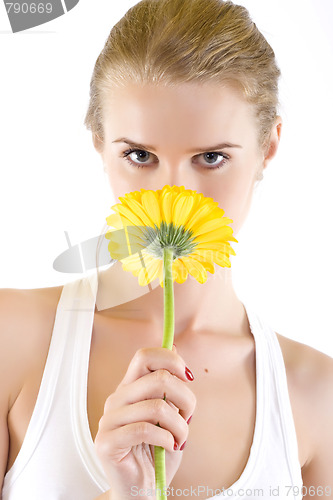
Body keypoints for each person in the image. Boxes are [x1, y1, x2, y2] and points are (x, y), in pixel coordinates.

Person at [1, 0, 332, 499]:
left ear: (269, 146)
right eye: (140, 155)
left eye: (211, 157)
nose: (173, 198)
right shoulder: (13, 338)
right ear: (98, 142)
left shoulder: (316, 396)